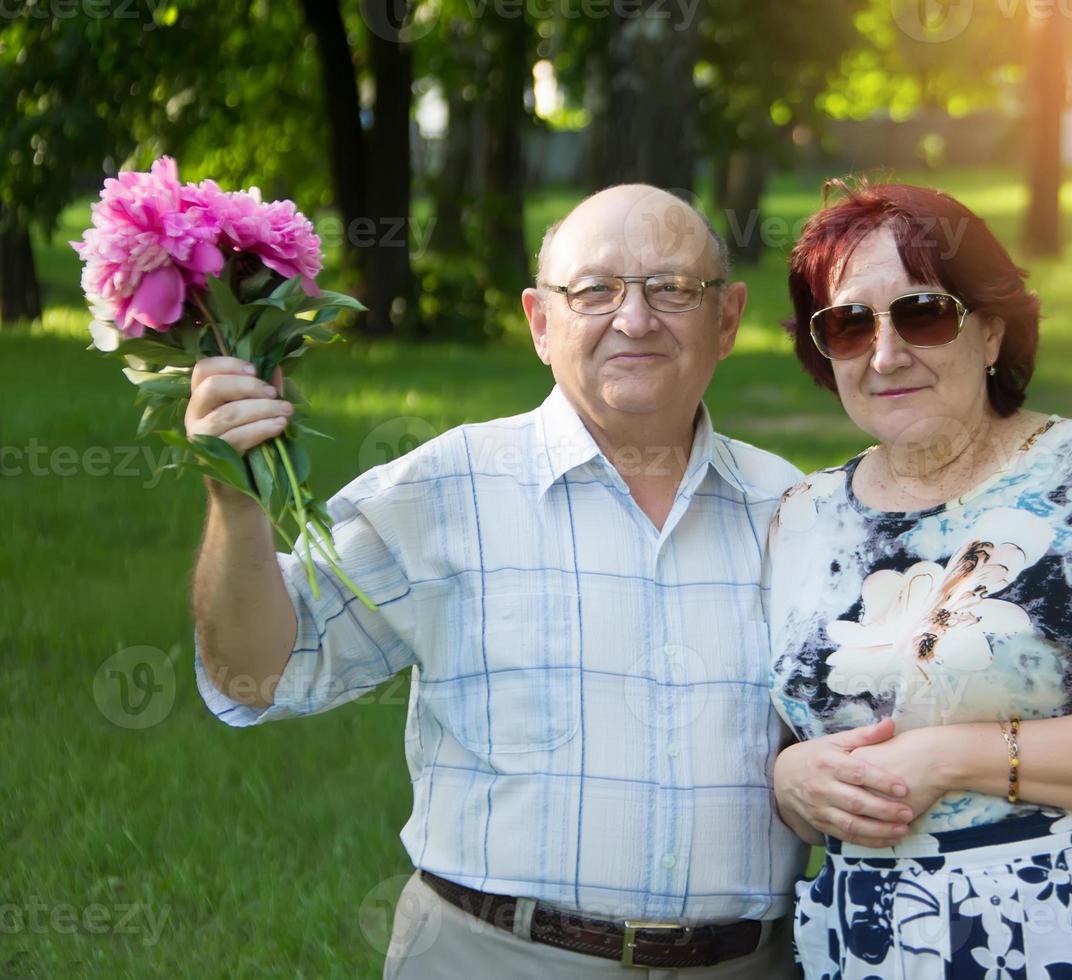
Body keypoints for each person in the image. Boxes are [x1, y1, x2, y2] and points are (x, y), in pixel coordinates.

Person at [187, 184, 806, 978]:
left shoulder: (792, 509)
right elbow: (257, 673)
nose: (636, 319)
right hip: (495, 957)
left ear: (726, 320)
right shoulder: (442, 490)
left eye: (673, 289)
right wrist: (234, 499)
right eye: (595, 291)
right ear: (541, 323)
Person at [764, 180, 1072, 978]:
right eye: (849, 325)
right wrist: (790, 781)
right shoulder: (800, 518)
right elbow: (787, 733)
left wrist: (954, 757)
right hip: (867, 945)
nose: (885, 355)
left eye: (922, 314)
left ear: (990, 331)